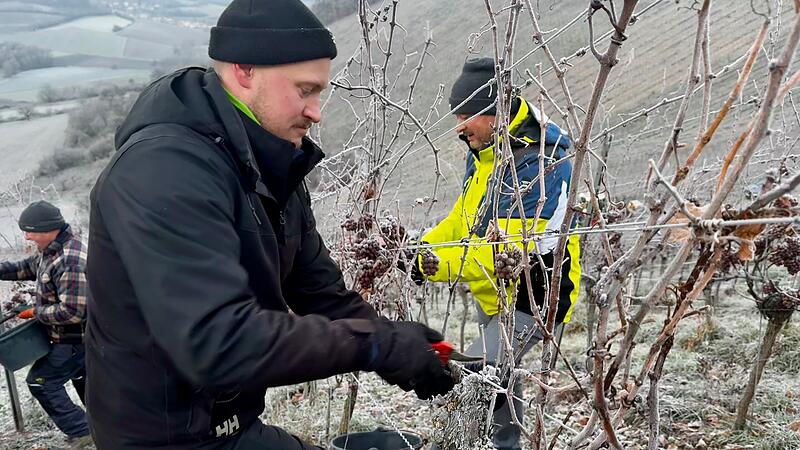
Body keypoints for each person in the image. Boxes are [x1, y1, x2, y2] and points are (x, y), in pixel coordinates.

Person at [85, 0, 454, 448]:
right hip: (162, 438)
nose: (316, 111)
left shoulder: (271, 166)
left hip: (232, 423)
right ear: (244, 70)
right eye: (305, 90)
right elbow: (218, 341)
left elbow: (322, 295)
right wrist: (373, 345)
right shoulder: (163, 169)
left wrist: (420, 353)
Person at [416, 58, 581, 450]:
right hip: (492, 295)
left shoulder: (542, 162)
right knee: (500, 378)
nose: (459, 126)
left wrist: (433, 265)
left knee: (476, 373)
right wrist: (422, 246)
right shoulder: (484, 152)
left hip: (535, 297)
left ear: (496, 113)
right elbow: (463, 218)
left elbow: (504, 252)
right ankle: (507, 445)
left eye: (467, 115)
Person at [0, 200, 91, 448]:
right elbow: (23, 268)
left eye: (30, 231)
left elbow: (73, 311)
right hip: (68, 338)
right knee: (84, 380)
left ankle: (83, 431)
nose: (27, 237)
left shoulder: (70, 259)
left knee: (42, 381)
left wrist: (35, 312)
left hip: (75, 338)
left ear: (48, 228)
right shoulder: (51, 250)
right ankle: (103, 425)